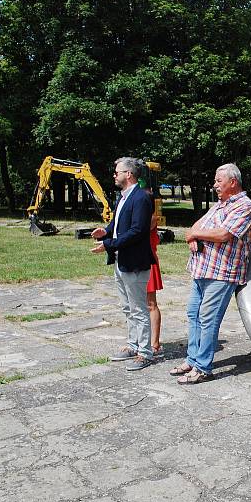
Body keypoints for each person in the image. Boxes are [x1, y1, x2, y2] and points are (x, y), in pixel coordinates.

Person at [168, 163, 251, 384]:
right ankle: (192, 359)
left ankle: (203, 367)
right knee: (193, 314)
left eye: (219, 180)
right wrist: (193, 234)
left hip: (222, 273)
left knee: (208, 319)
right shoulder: (220, 205)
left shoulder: (244, 206)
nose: (215, 184)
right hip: (202, 269)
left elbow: (224, 234)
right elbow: (198, 225)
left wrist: (194, 234)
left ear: (232, 182)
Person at [91, 157, 155, 371]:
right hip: (121, 261)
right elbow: (117, 223)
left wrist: (109, 244)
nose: (114, 175)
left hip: (135, 262)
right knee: (127, 307)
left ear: (129, 174)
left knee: (139, 309)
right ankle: (133, 345)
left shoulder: (142, 198)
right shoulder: (123, 197)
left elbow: (137, 231)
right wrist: (106, 232)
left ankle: (145, 353)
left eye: (117, 172)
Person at [147, 198, 163, 355]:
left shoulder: (150, 218)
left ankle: (154, 344)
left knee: (150, 304)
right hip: (135, 261)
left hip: (147, 261)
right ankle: (141, 341)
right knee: (137, 306)